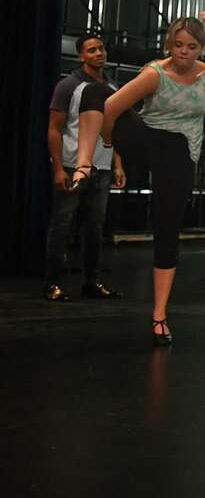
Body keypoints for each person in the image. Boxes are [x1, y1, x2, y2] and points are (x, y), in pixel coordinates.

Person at [72, 17, 205, 345]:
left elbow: (203, 111)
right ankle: (83, 164)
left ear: (202, 49)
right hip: (145, 137)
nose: (184, 52)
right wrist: (111, 145)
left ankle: (159, 316)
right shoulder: (154, 72)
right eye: (178, 45)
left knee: (167, 230)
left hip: (180, 153)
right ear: (169, 45)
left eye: (192, 47)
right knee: (96, 90)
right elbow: (110, 109)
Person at [43, 34, 126, 301]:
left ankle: (92, 282)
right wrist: (58, 168)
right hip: (72, 164)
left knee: (95, 227)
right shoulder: (69, 85)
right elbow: (54, 129)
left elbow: (114, 130)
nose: (99, 53)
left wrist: (117, 164)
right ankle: (52, 283)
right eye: (92, 50)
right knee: (62, 224)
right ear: (82, 56)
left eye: (101, 48)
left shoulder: (112, 88)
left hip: (101, 166)